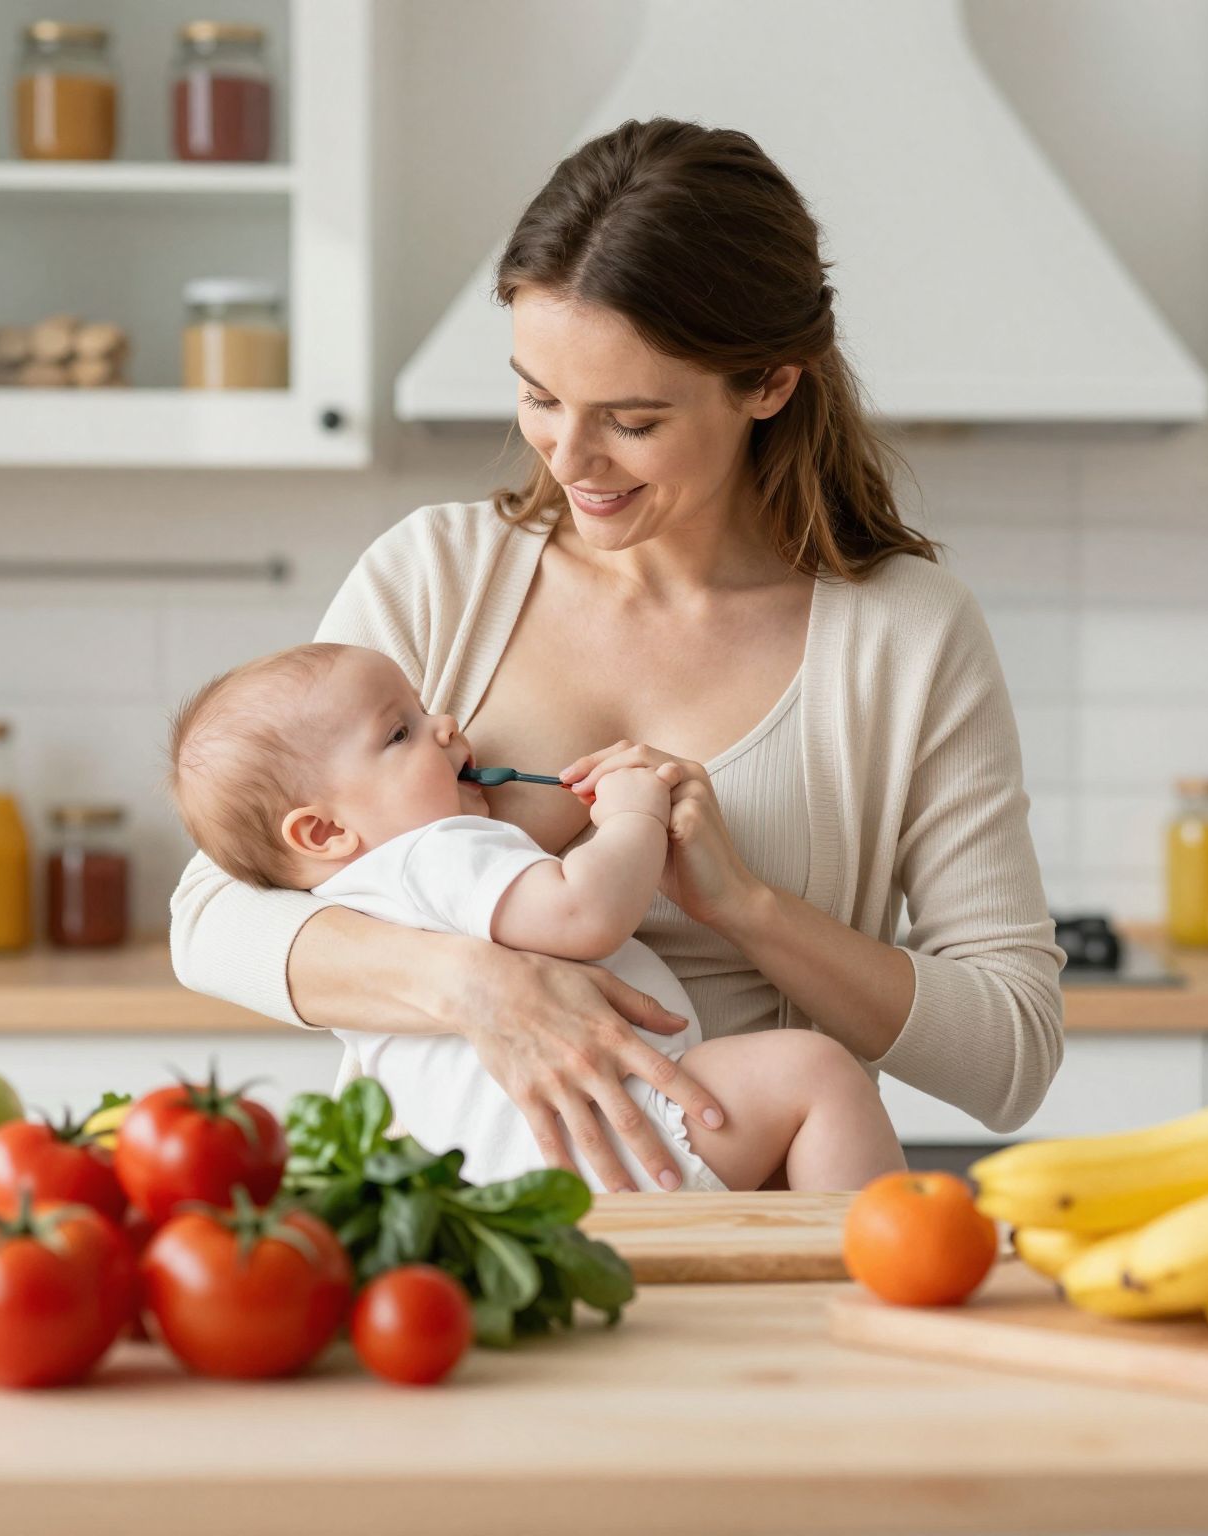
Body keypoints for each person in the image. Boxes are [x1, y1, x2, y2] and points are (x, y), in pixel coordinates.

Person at [171, 117, 1064, 1195]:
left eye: (631, 420)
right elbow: (213, 916)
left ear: (769, 384)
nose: (570, 458)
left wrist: (746, 908)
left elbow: (1012, 1055)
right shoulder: (436, 576)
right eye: (539, 397)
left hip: (747, 1221)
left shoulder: (907, 637)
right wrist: (475, 987)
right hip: (470, 1226)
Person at [166, 640, 906, 1192]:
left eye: (423, 711)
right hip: (618, 1146)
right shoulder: (434, 851)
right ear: (323, 832)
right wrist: (633, 814)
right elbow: (584, 913)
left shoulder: (342, 905)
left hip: (500, 1182)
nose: (448, 725)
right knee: (818, 1075)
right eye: (401, 734)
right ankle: (869, 1278)